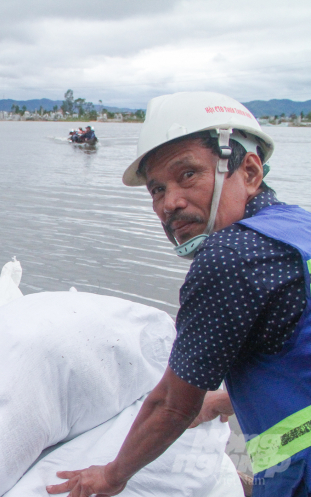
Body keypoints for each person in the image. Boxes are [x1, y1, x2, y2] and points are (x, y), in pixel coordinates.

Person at [47, 92, 311, 497]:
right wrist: (222, 401)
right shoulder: (299, 228)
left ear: (251, 172)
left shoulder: (229, 257)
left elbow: (172, 403)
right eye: (156, 190)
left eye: (188, 175)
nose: (170, 203)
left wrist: (111, 476)